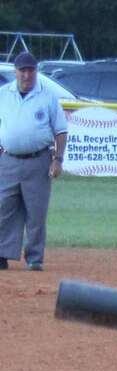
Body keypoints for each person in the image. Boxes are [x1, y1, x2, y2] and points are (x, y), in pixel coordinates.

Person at [0, 52, 68, 271]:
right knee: (4, 209)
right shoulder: (3, 94)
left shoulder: (47, 97)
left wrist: (57, 160)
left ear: (36, 72)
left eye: (31, 70)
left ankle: (34, 258)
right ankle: (2, 254)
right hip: (8, 159)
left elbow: (61, 131)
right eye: (23, 70)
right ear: (15, 72)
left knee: (36, 212)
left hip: (38, 160)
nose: (27, 75)